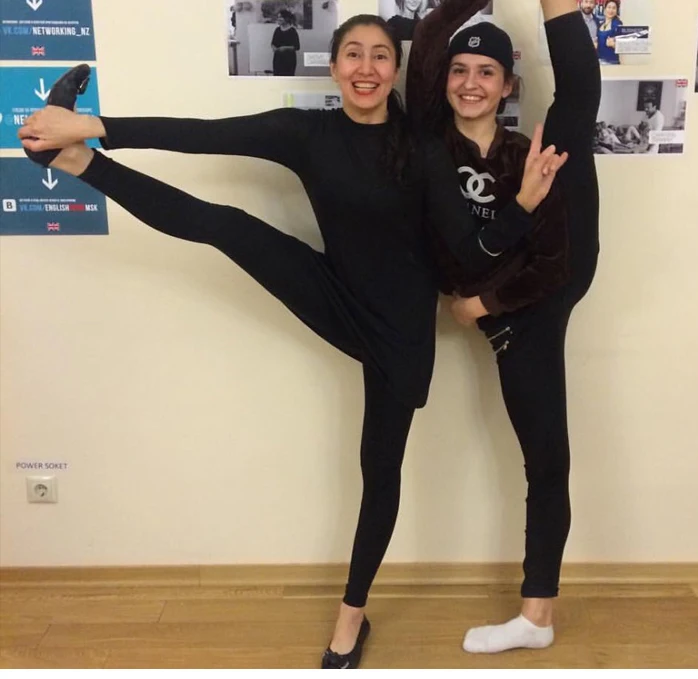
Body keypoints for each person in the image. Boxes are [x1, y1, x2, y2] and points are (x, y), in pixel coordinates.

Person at [19, 14, 567, 670]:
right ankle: (78, 158)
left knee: (379, 471)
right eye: (353, 54)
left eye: (380, 56)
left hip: (400, 333)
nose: (366, 68)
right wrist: (93, 126)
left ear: (395, 71)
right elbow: (203, 136)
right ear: (333, 68)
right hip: (335, 292)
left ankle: (351, 615)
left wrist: (523, 205)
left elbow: (473, 250)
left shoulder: (421, 149)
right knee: (226, 225)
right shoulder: (305, 134)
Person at [407, 0, 600, 654]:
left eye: (486, 71)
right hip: (506, 309)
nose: (470, 82)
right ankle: (536, 619)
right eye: (459, 70)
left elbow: (554, 263)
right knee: (545, 460)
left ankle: (536, 615)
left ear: (508, 85)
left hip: (530, 309)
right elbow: (430, 37)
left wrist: (483, 305)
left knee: (547, 461)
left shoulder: (526, 152)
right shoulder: (431, 145)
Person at [271, 9, 301, 76]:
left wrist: (284, 48)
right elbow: (273, 43)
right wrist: (274, 48)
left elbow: (297, 47)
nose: (278, 19)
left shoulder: (292, 31)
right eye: (278, 17)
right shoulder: (277, 30)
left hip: (289, 60)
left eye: (280, 17)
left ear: (286, 18)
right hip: (278, 59)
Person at [596, 0, 622, 65]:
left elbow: (623, 46)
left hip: (611, 62)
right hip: (599, 61)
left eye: (614, 8)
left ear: (617, 11)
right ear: (605, 9)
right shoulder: (600, 24)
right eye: (609, 7)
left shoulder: (618, 24)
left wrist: (614, 45)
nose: (611, 10)